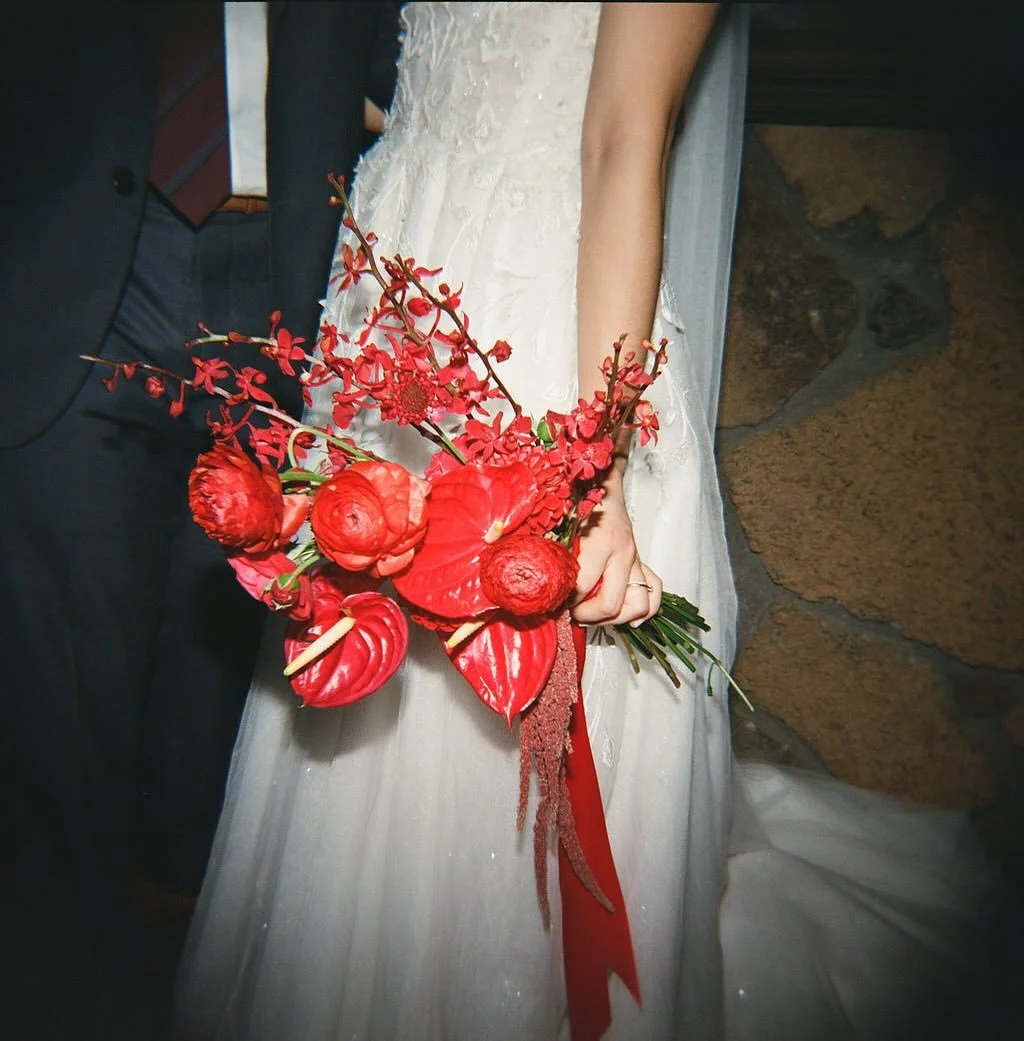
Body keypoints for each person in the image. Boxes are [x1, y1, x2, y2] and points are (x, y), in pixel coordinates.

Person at [173, 4, 1013, 1040]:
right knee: (363, 674)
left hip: (545, 302)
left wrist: (593, 466)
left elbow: (625, 135)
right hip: (408, 266)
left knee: (507, 735)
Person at [0, 3, 401, 1038]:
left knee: (224, 704)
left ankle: (186, 995)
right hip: (68, 269)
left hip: (302, 271)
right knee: (62, 707)